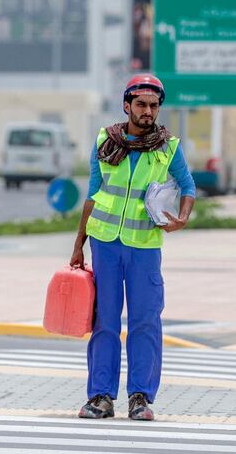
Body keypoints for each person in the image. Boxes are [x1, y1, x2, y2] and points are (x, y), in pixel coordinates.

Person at [70, 73, 196, 421]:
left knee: (144, 322)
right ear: (127, 105)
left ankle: (140, 397)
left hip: (144, 248)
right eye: (140, 104)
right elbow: (94, 194)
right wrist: (78, 245)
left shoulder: (168, 147)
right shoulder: (105, 141)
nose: (147, 111)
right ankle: (100, 396)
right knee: (105, 321)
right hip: (105, 245)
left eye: (153, 105)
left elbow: (188, 186)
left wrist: (182, 218)